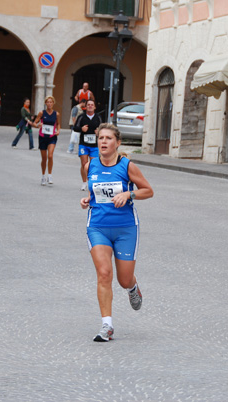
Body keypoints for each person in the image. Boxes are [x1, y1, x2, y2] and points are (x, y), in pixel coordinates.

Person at [80, 123, 154, 342]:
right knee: (104, 273)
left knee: (123, 279)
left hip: (125, 228)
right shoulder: (90, 166)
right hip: (98, 227)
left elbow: (148, 191)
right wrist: (87, 200)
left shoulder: (127, 166)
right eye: (100, 138)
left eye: (108, 138)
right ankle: (107, 325)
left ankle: (132, 287)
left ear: (117, 143)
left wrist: (129, 195)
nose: (103, 142)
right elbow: (93, 193)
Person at [74, 99, 102, 191]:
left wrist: (99, 132)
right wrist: (81, 129)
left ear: (94, 107)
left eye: (91, 105)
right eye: (88, 104)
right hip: (83, 144)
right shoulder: (82, 117)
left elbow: (103, 128)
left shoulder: (98, 117)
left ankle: (92, 182)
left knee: (93, 165)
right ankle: (84, 182)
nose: (90, 106)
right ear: (85, 106)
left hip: (94, 145)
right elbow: (75, 128)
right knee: (84, 163)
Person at [33, 96, 60, 185]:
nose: (49, 104)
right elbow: (34, 123)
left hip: (52, 137)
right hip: (42, 137)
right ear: (45, 103)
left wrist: (58, 130)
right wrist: (38, 125)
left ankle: (50, 175)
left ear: (53, 103)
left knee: (50, 156)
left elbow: (58, 124)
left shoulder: (56, 114)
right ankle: (43, 176)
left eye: (51, 102)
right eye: (48, 102)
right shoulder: (42, 113)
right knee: (44, 158)